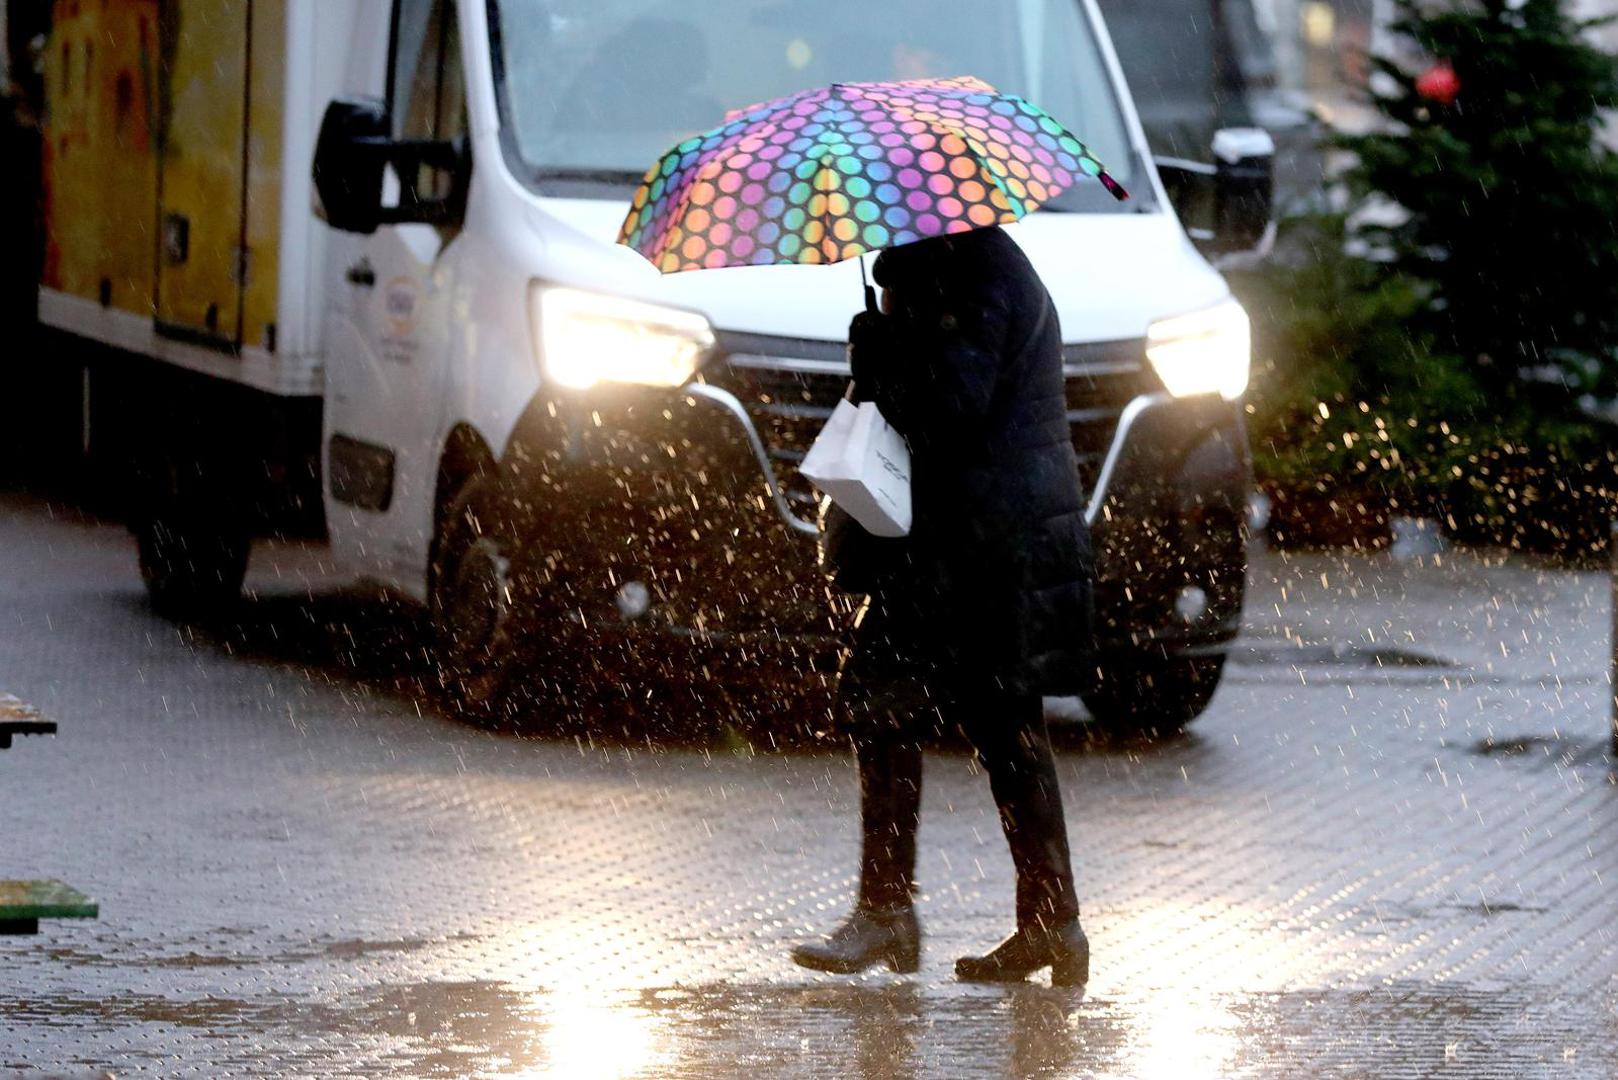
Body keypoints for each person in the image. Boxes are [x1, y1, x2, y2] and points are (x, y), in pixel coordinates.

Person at [791, 226, 1095, 986]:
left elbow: (952, 411)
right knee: (1005, 723)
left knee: (890, 701)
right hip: (980, 536)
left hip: (983, 540)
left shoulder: (976, 276)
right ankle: (1051, 924)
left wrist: (880, 355)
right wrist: (888, 334)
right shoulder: (955, 267)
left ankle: (891, 914)